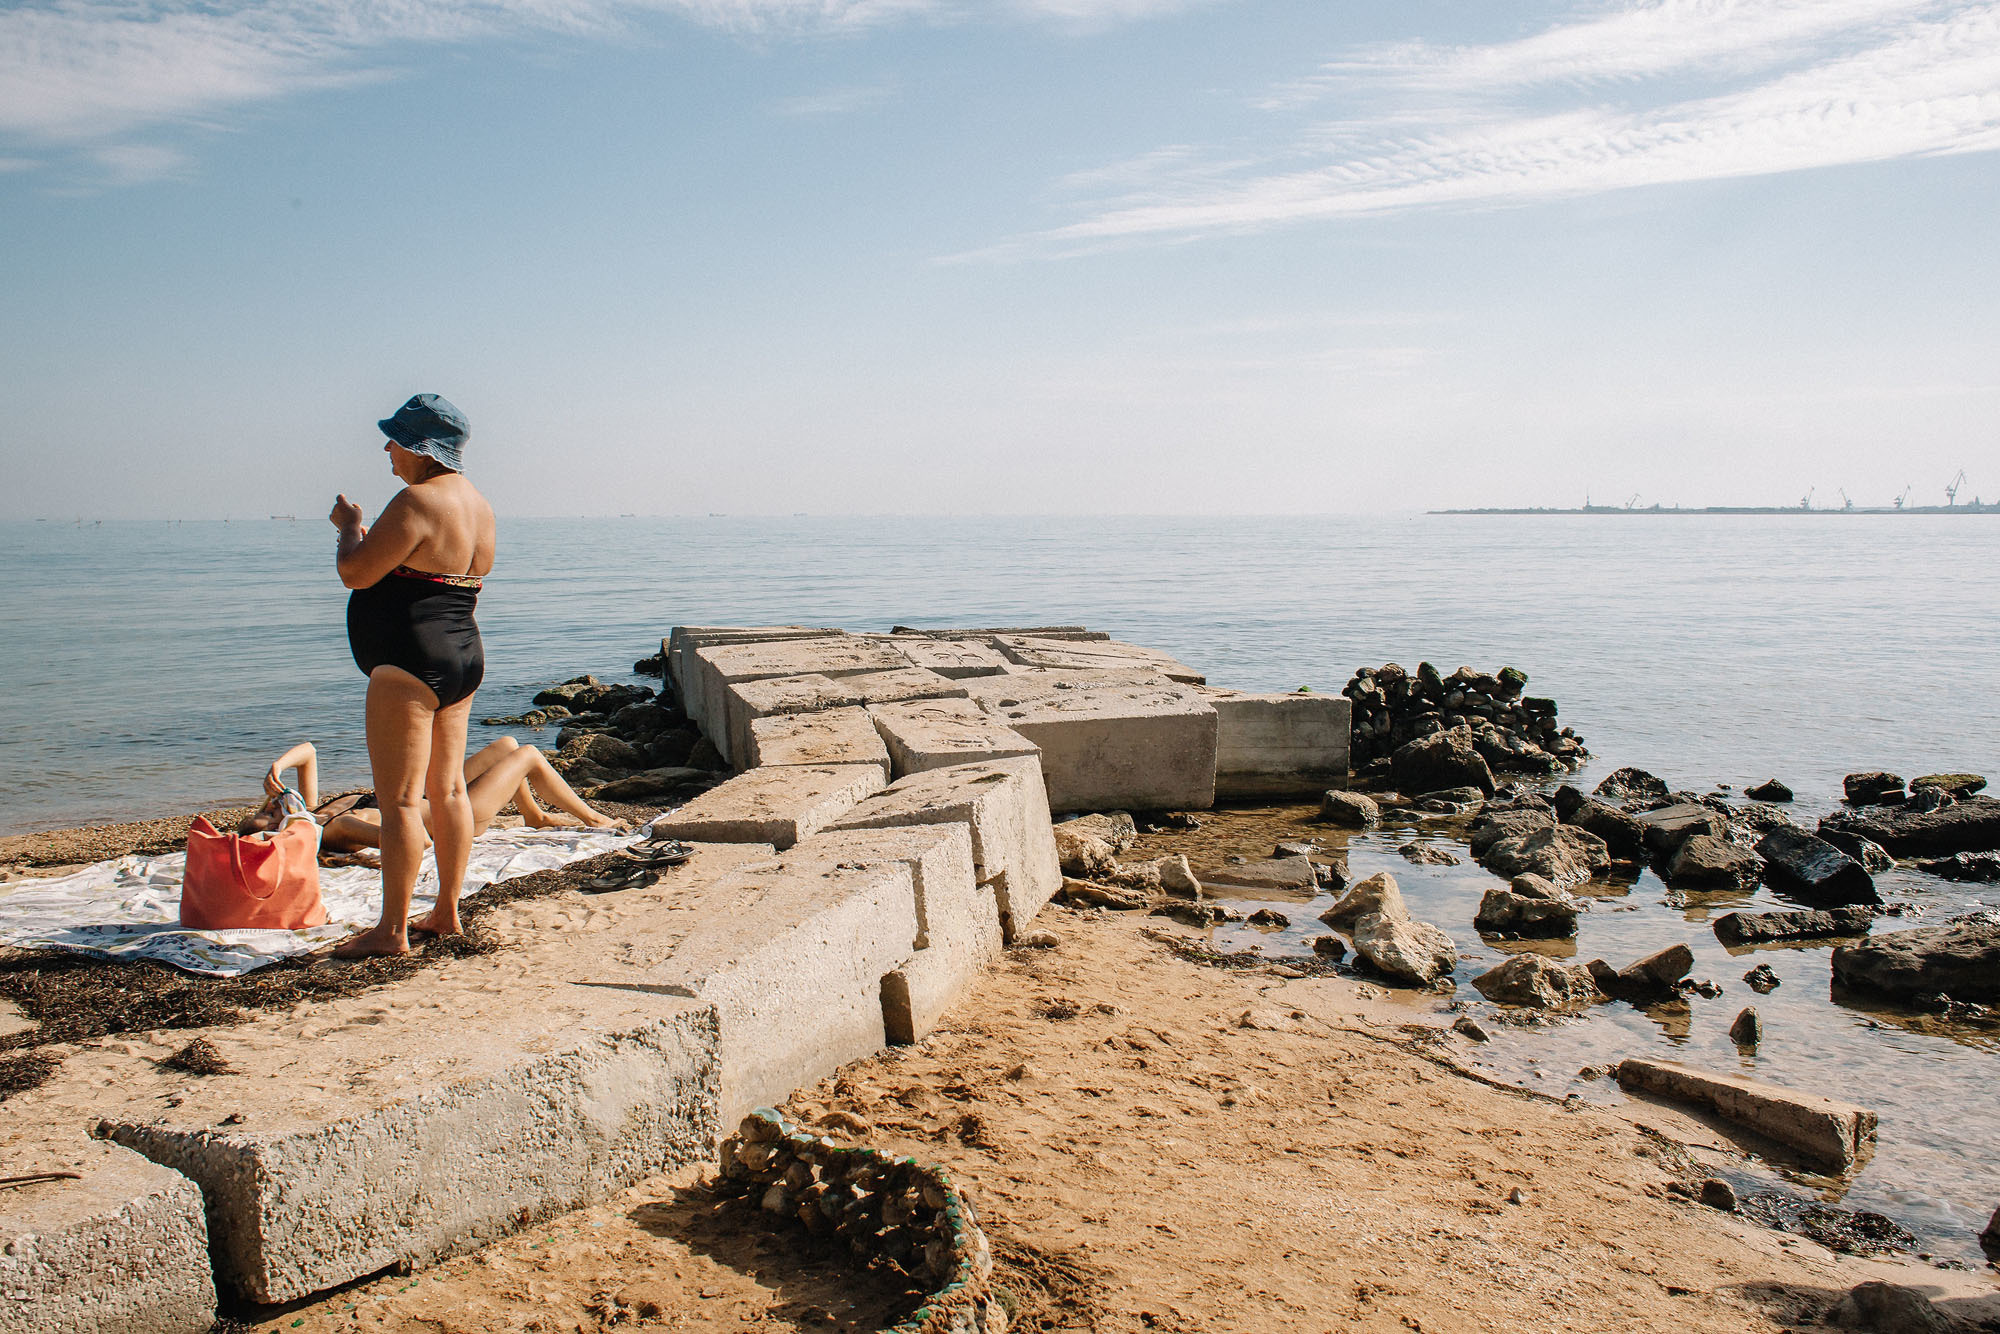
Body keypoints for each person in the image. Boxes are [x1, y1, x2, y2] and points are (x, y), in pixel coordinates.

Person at [330, 394, 495, 957]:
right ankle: (447, 910)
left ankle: (392, 931)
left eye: (395, 440)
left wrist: (350, 527)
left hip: (408, 662)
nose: (387, 449)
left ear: (422, 451)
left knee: (398, 800)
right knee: (447, 790)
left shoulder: (415, 501)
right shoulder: (479, 505)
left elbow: (355, 572)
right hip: (462, 654)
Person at [239, 739, 628, 857]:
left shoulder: (315, 812)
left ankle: (535, 816)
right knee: (527, 755)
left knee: (505, 745)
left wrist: (275, 768)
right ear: (282, 831)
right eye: (272, 815)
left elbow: (308, 752)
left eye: (269, 806)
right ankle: (595, 819)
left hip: (437, 795)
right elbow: (419, 841)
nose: (275, 806)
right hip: (458, 816)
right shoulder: (335, 829)